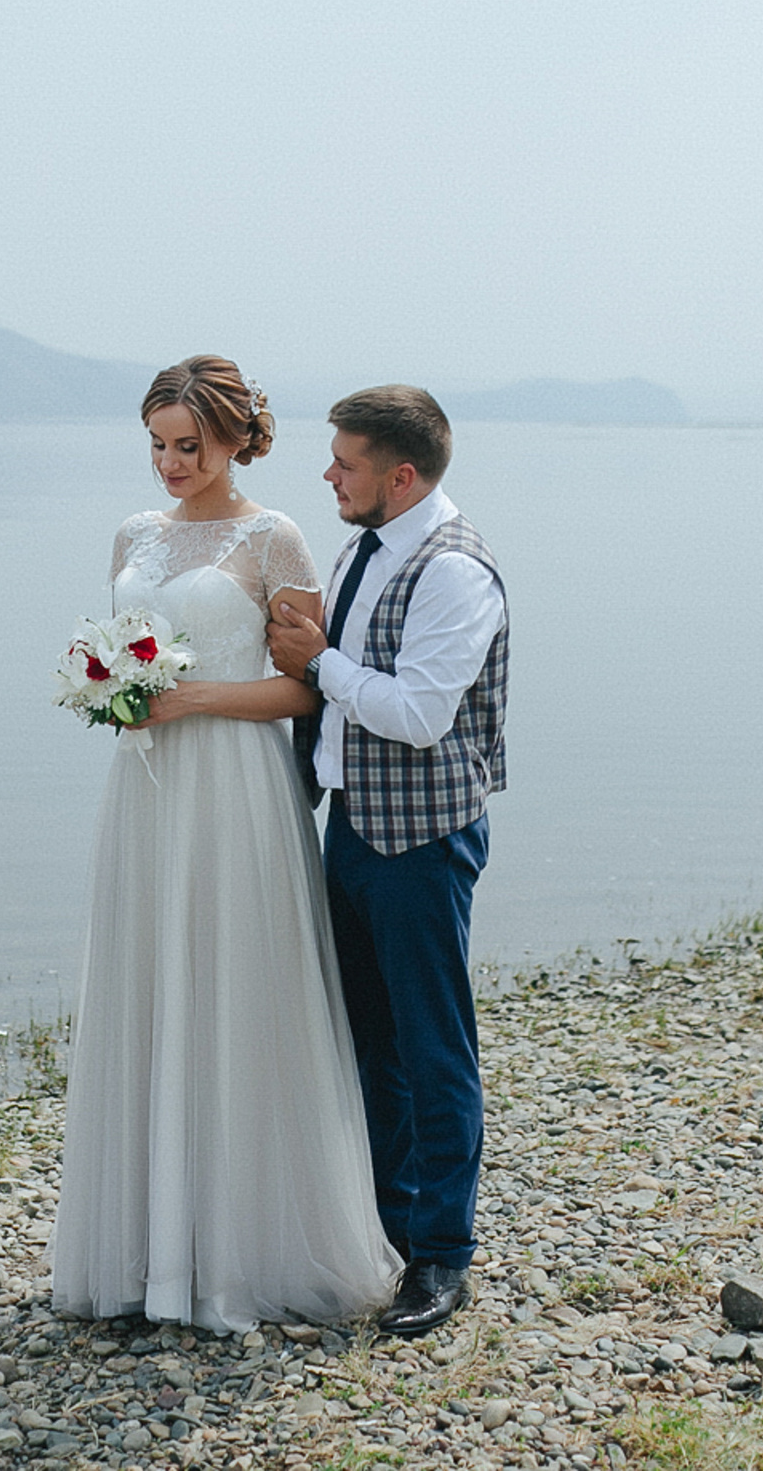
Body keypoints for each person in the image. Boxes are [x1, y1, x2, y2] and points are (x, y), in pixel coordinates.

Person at [48, 355, 403, 1333]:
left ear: (236, 437)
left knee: (234, 989)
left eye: (187, 445)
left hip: (235, 787)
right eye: (157, 445)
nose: (170, 463)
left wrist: (190, 698)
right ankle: (149, 1254)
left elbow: (304, 683)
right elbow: (128, 650)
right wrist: (109, 690)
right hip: (147, 792)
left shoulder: (272, 538)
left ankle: (241, 1251)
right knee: (150, 985)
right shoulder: (133, 533)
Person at [266, 386, 508, 1339]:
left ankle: (444, 1256)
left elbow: (417, 714)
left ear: (399, 476)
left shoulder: (455, 573)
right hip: (354, 829)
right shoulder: (364, 546)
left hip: (421, 838)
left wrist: (319, 661)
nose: (329, 473)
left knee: (433, 1044)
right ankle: (392, 1226)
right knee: (370, 1038)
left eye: (347, 463)